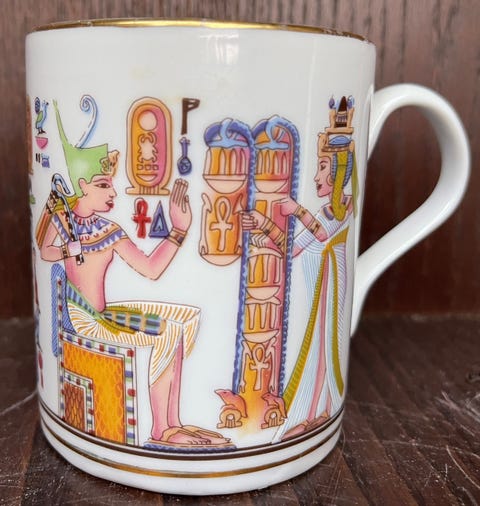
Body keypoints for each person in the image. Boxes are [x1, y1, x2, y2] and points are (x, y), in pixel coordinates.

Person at [37, 100, 231, 449]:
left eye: (111, 185)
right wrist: (68, 249)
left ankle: (174, 422)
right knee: (167, 332)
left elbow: (151, 269)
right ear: (81, 185)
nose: (113, 193)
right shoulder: (63, 218)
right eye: (103, 185)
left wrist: (179, 230)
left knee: (186, 318)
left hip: (103, 315)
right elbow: (45, 251)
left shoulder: (108, 230)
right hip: (83, 318)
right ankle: (160, 430)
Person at [242, 126, 357, 440]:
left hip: (332, 289)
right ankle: (313, 412)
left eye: (323, 167)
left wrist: (296, 210)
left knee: (326, 343)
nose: (317, 176)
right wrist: (265, 225)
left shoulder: (341, 206)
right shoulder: (325, 211)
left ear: (339, 173)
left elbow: (321, 234)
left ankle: (322, 411)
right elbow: (292, 248)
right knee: (315, 345)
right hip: (321, 290)